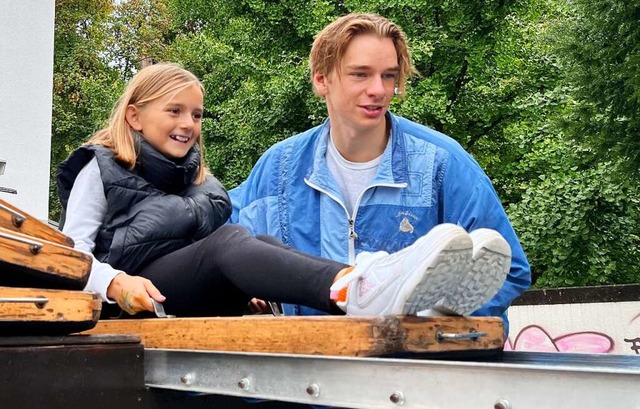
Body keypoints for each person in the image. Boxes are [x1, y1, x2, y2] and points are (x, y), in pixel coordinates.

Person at [56, 63, 509, 318]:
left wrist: (250, 281)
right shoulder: (101, 167)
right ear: (134, 117)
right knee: (231, 243)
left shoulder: (199, 180)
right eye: (174, 111)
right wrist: (114, 282)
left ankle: (404, 302)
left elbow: (203, 253)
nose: (188, 124)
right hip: (129, 297)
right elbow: (71, 255)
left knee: (261, 243)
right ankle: (360, 286)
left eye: (196, 114)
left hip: (180, 293)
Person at [230, 13, 530, 332]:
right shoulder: (279, 167)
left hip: (415, 371)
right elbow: (223, 243)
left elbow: (507, 268)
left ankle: (419, 307)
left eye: (389, 76)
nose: (379, 89)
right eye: (361, 75)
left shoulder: (441, 162)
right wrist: (242, 291)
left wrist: (428, 328)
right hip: (313, 366)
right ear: (321, 80)